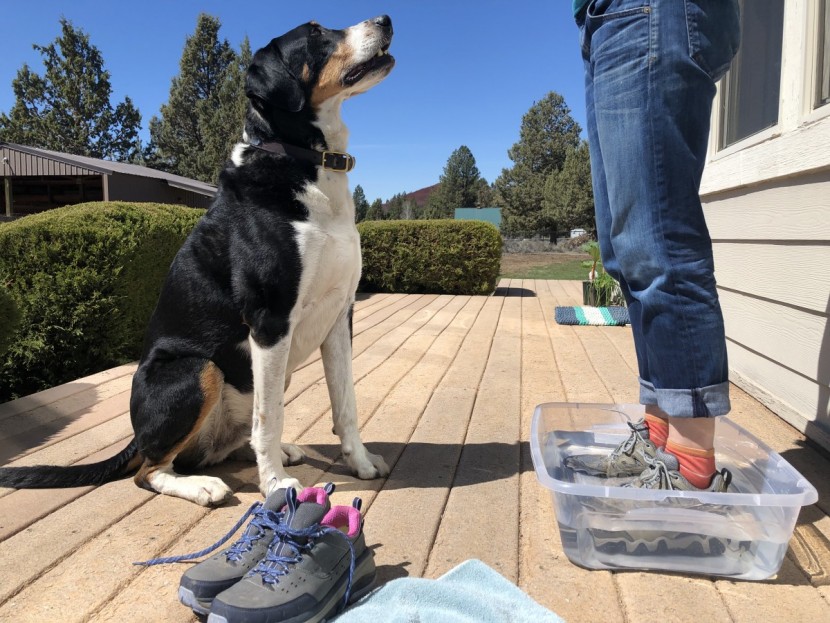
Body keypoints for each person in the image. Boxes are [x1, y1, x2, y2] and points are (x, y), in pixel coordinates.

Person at [565, 0, 741, 491]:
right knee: (625, 251)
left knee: (657, 238)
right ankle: (660, 439)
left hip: (650, 10)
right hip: (604, 21)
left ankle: (689, 465)